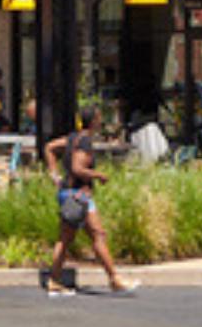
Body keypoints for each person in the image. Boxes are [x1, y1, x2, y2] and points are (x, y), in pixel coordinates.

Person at [43, 107, 137, 296]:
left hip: (68, 193)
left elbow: (49, 147)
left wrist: (54, 175)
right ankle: (115, 279)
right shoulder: (85, 141)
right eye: (98, 118)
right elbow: (77, 168)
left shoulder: (72, 138)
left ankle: (54, 280)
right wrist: (98, 175)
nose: (100, 122)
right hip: (79, 196)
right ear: (93, 121)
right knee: (98, 235)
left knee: (66, 239)